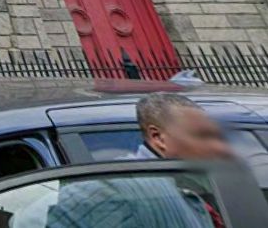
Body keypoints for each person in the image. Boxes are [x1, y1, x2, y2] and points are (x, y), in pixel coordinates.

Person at [41, 94, 231, 228]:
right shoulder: (113, 189)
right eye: (202, 136)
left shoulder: (194, 184)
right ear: (158, 137)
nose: (216, 147)